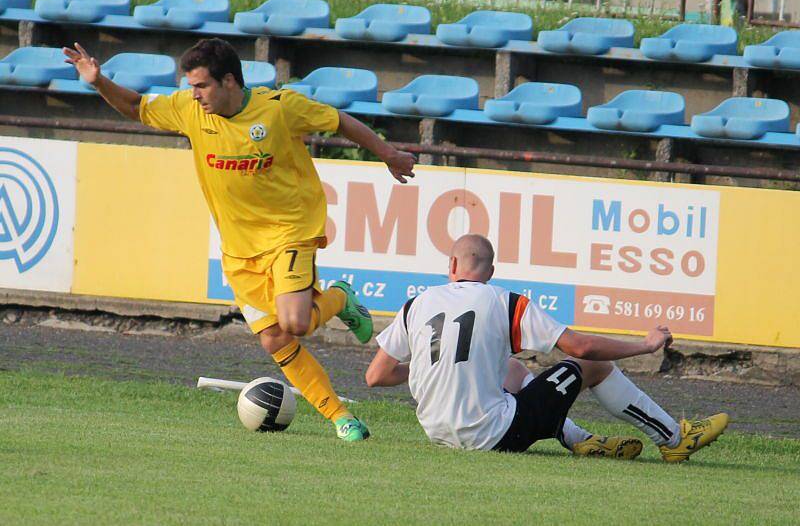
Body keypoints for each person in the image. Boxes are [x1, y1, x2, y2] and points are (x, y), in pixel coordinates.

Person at [64, 38, 416, 442]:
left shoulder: (280, 108)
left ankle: (338, 297)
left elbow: (340, 121)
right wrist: (98, 81)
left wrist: (388, 154)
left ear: (229, 80)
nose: (193, 95)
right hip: (238, 248)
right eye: (190, 87)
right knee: (275, 340)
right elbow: (135, 107)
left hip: (290, 231)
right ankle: (341, 418)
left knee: (296, 322)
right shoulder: (189, 110)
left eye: (201, 86)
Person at [366, 234, 729, 461]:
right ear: (490, 272)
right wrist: (644, 346)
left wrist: (431, 369)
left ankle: (579, 439)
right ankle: (673, 438)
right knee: (591, 367)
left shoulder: (416, 303)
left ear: (452, 266)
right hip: (492, 436)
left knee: (509, 368)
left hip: (438, 432)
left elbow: (376, 375)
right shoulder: (504, 301)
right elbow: (583, 347)